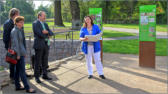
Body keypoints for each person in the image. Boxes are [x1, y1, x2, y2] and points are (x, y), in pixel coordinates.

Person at [10, 16, 36, 93]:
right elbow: (16, 44)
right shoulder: (15, 31)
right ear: (17, 23)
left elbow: (21, 43)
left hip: (21, 53)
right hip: (18, 54)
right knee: (22, 71)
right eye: (21, 22)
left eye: (23, 22)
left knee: (17, 70)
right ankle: (27, 88)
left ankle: (17, 86)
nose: (22, 23)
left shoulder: (20, 30)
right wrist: (18, 54)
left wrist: (24, 52)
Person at [32, 11, 53, 83]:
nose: (45, 17)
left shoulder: (45, 24)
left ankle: (45, 75)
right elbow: (39, 34)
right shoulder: (35, 23)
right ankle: (37, 77)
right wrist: (47, 34)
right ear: (39, 16)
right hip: (39, 45)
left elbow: (51, 33)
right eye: (44, 16)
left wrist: (46, 32)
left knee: (45, 61)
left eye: (45, 16)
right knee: (37, 62)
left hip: (46, 45)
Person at [3, 8, 19, 83]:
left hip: (18, 46)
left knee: (19, 61)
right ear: (14, 14)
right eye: (18, 14)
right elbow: (5, 37)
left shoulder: (17, 22)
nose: (19, 15)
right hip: (11, 46)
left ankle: (20, 75)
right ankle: (12, 77)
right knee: (12, 62)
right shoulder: (7, 23)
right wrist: (8, 47)